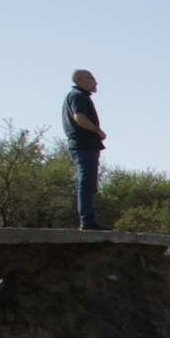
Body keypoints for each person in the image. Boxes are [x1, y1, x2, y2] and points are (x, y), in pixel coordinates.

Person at [62, 69, 108, 231]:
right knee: (86, 183)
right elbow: (79, 117)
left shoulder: (78, 96)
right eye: (92, 78)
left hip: (86, 145)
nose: (95, 82)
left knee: (89, 183)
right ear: (80, 80)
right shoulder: (78, 96)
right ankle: (87, 222)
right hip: (84, 145)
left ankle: (89, 220)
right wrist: (97, 131)